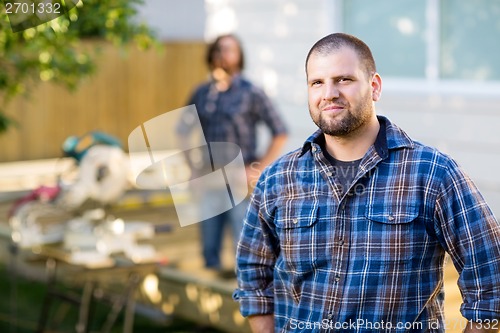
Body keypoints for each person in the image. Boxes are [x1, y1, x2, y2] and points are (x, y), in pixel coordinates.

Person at [234, 33, 500, 333]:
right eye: (317, 83)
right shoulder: (279, 179)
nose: (329, 93)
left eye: (344, 79)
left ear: (374, 87)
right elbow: (252, 271)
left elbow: (491, 277)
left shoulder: (433, 174)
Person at [177, 34, 288, 272]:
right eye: (218, 49)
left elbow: (280, 132)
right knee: (209, 252)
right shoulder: (202, 93)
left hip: (239, 183)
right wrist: (193, 169)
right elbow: (182, 132)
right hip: (208, 180)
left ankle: (247, 306)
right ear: (211, 55)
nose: (223, 54)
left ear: (239, 56)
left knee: (245, 251)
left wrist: (256, 170)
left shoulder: (251, 92)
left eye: (229, 50)